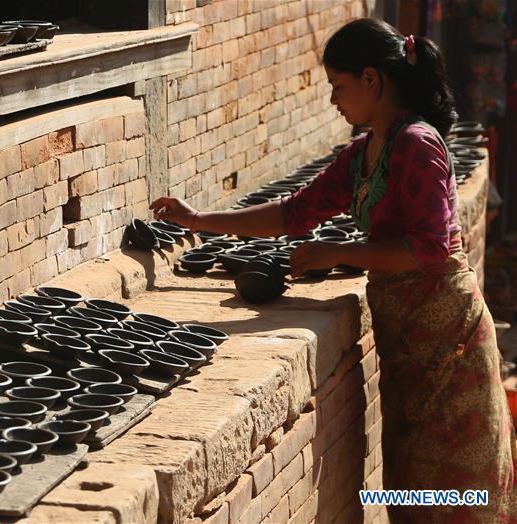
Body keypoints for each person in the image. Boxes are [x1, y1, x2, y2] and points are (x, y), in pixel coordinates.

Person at [150, 18, 516, 522]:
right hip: (408, 341)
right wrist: (200, 221)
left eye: (338, 87)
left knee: (457, 492)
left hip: (449, 340)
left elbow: (431, 249)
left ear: (372, 80)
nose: (333, 101)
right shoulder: (364, 155)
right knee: (411, 485)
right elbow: (292, 214)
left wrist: (339, 253)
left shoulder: (416, 144)